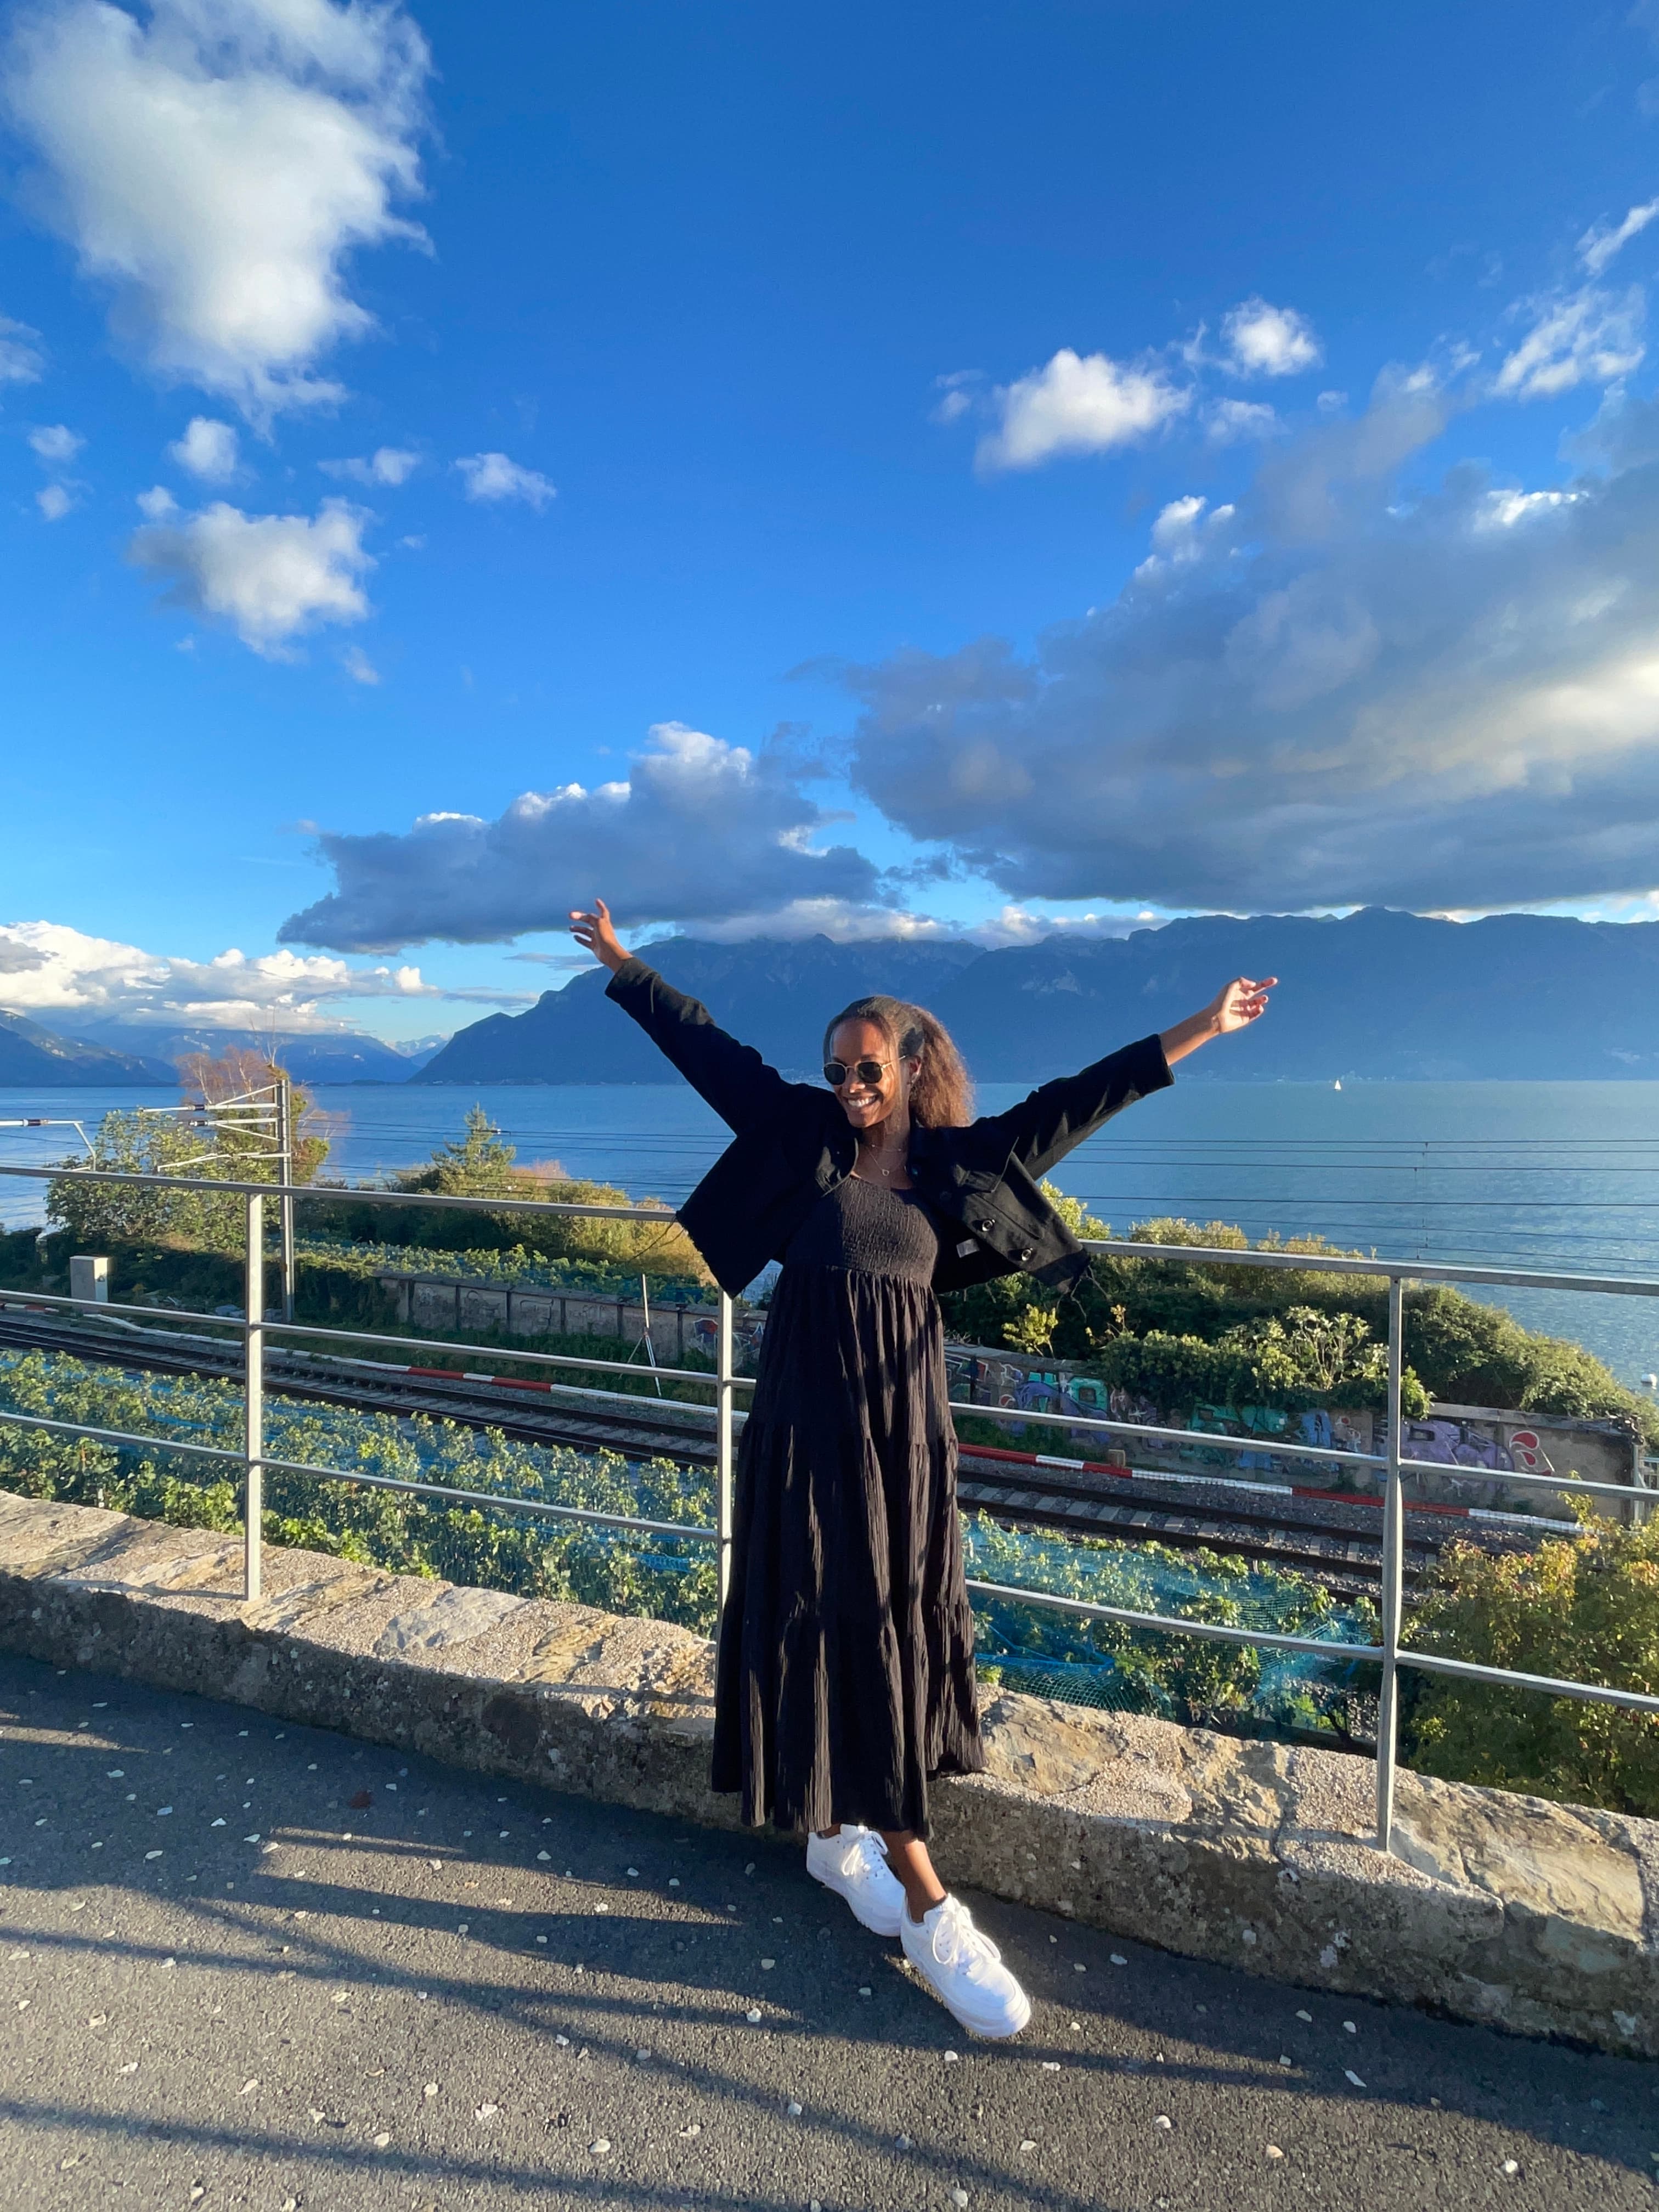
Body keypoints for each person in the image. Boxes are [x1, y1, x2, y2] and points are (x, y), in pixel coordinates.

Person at [570, 897, 1273, 2039]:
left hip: (903, 1434)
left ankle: (840, 1835)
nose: (848, 1077)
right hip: (803, 1426)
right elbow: (706, 1049)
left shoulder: (959, 1166)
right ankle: (922, 1895)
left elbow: (1078, 1101)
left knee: (891, 1615)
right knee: (817, 1604)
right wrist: (621, 962)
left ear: (908, 1065)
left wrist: (1199, 1028)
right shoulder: (802, 1137)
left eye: (866, 1063)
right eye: (836, 1063)